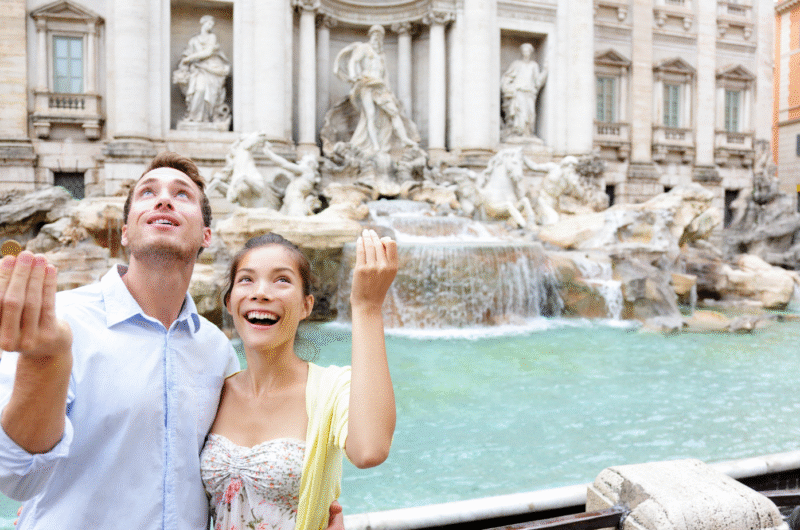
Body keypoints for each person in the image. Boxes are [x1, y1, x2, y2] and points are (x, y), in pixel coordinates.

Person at [0, 152, 343, 530]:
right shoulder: (59, 325)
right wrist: (45, 363)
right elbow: (18, 479)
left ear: (206, 236)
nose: (163, 199)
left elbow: (234, 483)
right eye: (148, 192)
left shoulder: (218, 351)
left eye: (182, 194)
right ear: (126, 231)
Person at [201, 230, 397, 530]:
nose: (261, 292)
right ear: (229, 303)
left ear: (306, 306)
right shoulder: (213, 391)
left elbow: (370, 450)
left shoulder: (331, 389)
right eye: (246, 279)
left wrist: (367, 307)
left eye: (282, 280)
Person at [334, 25, 418, 154]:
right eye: (375, 35)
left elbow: (385, 75)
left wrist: (388, 90)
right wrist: (354, 76)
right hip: (366, 84)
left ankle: (404, 139)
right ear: (371, 36)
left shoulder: (381, 55)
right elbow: (353, 62)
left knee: (393, 112)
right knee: (370, 115)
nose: (377, 38)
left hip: (380, 86)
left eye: (380, 36)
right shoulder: (364, 48)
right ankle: (375, 146)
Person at [173, 15, 232, 126]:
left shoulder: (212, 37)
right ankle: (194, 117)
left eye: (212, 25)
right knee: (199, 90)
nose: (210, 26)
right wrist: (184, 62)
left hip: (211, 69)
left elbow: (208, 52)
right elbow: (186, 55)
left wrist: (189, 59)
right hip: (197, 70)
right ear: (203, 23)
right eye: (209, 24)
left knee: (208, 94)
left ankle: (206, 117)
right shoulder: (193, 40)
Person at [500, 43, 547, 138]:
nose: (526, 53)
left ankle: (527, 134)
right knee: (521, 113)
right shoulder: (516, 64)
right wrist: (508, 87)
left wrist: (545, 70)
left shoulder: (534, 65)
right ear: (522, 52)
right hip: (518, 92)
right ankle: (518, 134)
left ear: (530, 52)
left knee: (530, 114)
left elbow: (537, 81)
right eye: (524, 51)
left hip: (529, 93)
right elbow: (507, 78)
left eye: (528, 51)